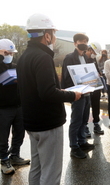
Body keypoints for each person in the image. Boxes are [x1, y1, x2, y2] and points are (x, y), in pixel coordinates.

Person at [17, 13, 81, 185]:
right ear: (46, 35)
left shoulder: (24, 57)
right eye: (53, 33)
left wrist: (59, 90)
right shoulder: (43, 57)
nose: (54, 37)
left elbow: (34, 89)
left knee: (37, 169)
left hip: (32, 123)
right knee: (51, 173)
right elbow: (47, 93)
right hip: (48, 124)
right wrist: (72, 95)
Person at [61, 33, 95, 159]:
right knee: (76, 120)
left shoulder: (86, 58)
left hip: (87, 93)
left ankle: (82, 142)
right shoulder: (69, 57)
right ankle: (74, 147)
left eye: (86, 41)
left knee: (84, 118)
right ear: (75, 43)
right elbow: (66, 76)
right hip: (77, 93)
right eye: (81, 41)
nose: (84, 43)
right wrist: (72, 92)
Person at [0, 39, 30, 175]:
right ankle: (4, 159)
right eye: (7, 52)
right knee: (3, 134)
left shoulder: (15, 65)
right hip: (3, 107)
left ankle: (15, 155)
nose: (9, 55)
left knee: (19, 132)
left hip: (19, 106)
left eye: (11, 53)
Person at [84, 42, 104, 136]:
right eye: (94, 53)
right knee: (86, 107)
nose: (94, 55)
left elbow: (95, 70)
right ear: (90, 49)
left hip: (95, 86)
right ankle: (85, 127)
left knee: (96, 105)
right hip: (86, 86)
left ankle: (96, 124)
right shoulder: (82, 58)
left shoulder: (93, 59)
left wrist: (99, 73)